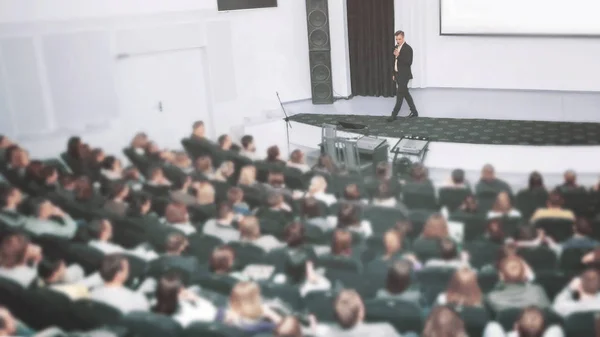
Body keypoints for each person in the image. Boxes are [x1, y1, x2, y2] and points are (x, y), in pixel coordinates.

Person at [388, 30, 418, 122]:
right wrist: (393, 73)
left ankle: (394, 115)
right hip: (397, 74)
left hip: (404, 76)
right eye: (396, 39)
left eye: (399, 39)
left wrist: (398, 55)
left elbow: (408, 62)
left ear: (403, 38)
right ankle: (414, 112)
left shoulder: (408, 48)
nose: (398, 41)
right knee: (405, 93)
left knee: (400, 94)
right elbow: (394, 62)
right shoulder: (396, 47)